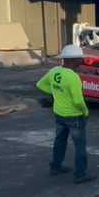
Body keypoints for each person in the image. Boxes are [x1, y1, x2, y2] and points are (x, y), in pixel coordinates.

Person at [35, 44, 95, 184]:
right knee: (79, 145)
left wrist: (55, 93)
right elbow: (79, 101)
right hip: (74, 116)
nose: (81, 61)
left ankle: (56, 166)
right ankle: (80, 174)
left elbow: (40, 84)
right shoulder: (73, 77)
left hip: (59, 114)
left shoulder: (55, 71)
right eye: (79, 59)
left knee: (60, 140)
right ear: (72, 60)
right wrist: (85, 111)